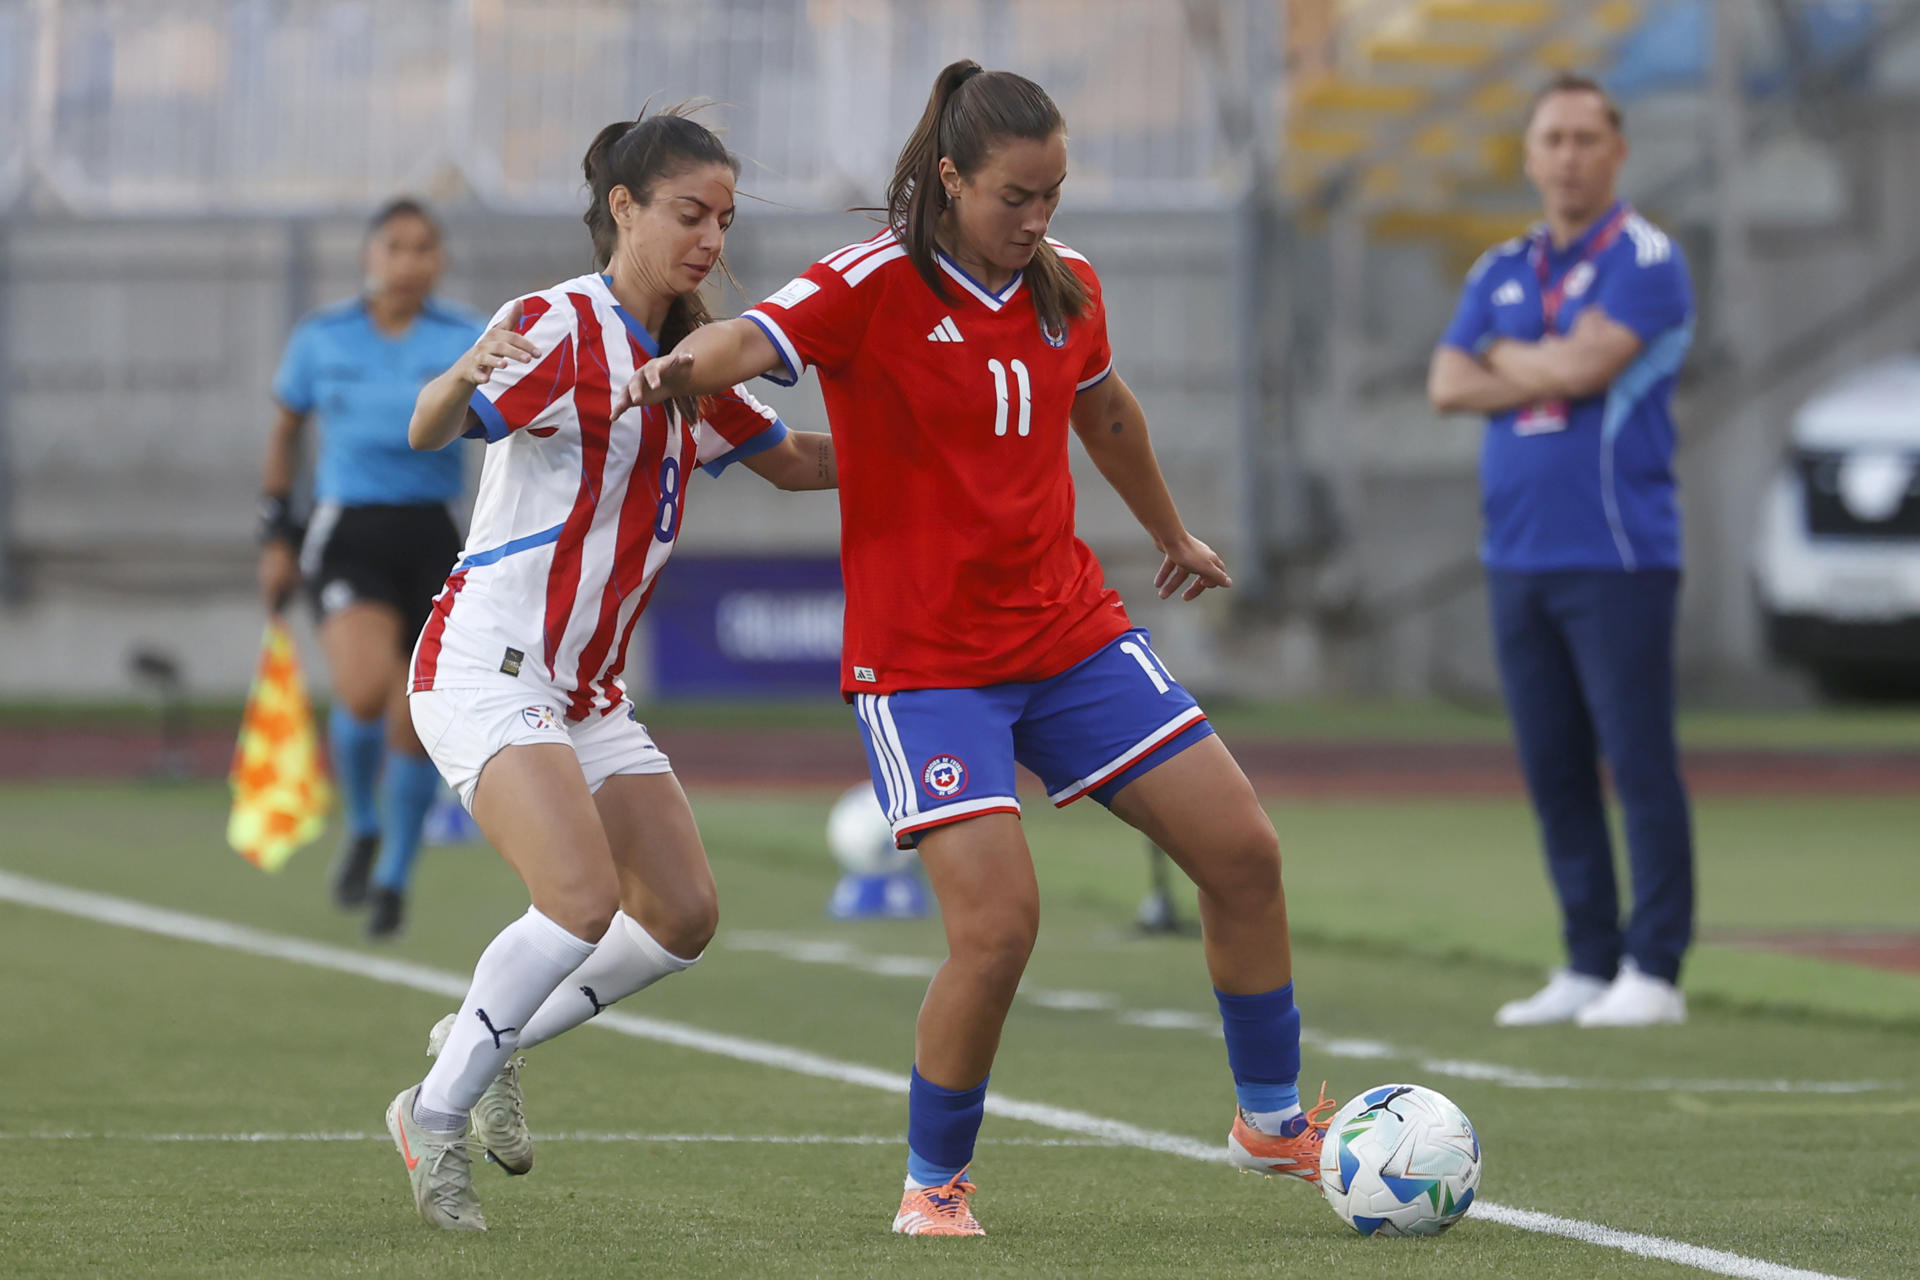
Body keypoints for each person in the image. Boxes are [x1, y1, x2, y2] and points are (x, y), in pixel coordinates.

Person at [615, 60, 1332, 1237]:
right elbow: (750, 338)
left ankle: (1269, 1121)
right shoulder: (872, 282)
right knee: (998, 928)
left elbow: (1106, 412)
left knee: (1245, 851)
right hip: (926, 665)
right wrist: (661, 372)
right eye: (1016, 196)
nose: (1039, 218)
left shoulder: (1069, 287)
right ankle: (934, 1183)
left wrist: (1173, 532)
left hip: (1068, 630)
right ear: (949, 180)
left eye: (1053, 193)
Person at [385, 107, 836, 1232]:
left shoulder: (695, 359)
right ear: (623, 207)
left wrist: (947, 440)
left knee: (680, 913)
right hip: (486, 663)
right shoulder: (556, 323)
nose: (709, 238)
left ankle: (480, 1043)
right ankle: (433, 1114)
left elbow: (790, 462)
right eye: (690, 212)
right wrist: (454, 376)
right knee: (579, 901)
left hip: (585, 689)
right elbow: (430, 427)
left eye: (724, 219)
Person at [1427, 73, 1696, 1028]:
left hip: (1618, 552)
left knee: (1636, 755)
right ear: (1531, 155)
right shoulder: (1502, 265)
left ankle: (1654, 967)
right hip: (1518, 554)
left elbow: (1588, 367)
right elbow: (1447, 382)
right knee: (1552, 762)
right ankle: (1589, 956)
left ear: (1617, 151)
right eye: (1555, 138)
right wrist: (1531, 358)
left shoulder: (1647, 256)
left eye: (1588, 137)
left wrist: (1512, 353)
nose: (1571, 155)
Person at [260, 198, 483, 939]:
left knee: (415, 718)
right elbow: (287, 430)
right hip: (349, 530)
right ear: (370, 256)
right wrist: (275, 533)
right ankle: (361, 822)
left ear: (439, 260)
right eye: (396, 246)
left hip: (432, 532)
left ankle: (393, 879)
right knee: (361, 690)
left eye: (425, 247)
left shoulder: (465, 337)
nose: (410, 260)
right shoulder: (323, 339)